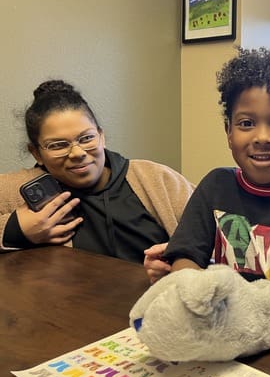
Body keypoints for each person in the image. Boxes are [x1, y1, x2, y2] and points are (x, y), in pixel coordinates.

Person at [144, 46, 270, 310]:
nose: (262, 137)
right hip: (218, 318)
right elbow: (186, 259)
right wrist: (191, 289)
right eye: (247, 123)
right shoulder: (216, 185)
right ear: (229, 132)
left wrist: (254, 315)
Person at [0, 80, 194, 263]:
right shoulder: (22, 189)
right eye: (58, 145)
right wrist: (15, 229)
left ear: (101, 136)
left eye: (86, 139)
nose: (77, 153)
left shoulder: (155, 179)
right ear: (36, 153)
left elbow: (217, 229)